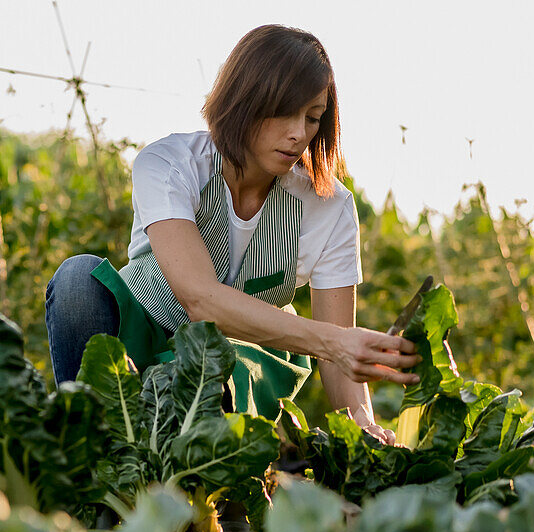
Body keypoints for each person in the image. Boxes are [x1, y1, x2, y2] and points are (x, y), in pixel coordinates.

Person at [45, 24, 420, 446]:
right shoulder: (170, 164)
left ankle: (224, 490)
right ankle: (90, 453)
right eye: (284, 112)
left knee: (222, 362)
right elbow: (199, 298)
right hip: (142, 337)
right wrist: (335, 342)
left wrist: (362, 424)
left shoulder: (329, 207)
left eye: (313, 118)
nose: (299, 133)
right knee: (78, 278)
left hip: (238, 371)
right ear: (244, 100)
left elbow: (338, 359)